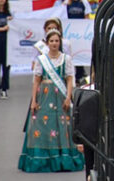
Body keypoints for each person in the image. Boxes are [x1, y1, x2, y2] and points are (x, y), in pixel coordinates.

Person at [18, 29, 84, 173]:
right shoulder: (41, 60)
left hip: (60, 98)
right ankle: (44, 160)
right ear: (47, 43)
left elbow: (69, 79)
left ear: (60, 42)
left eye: (56, 41)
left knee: (62, 126)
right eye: (52, 41)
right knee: (42, 127)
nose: (54, 43)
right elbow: (36, 81)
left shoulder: (66, 59)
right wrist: (34, 101)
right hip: (45, 96)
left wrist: (68, 98)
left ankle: (62, 159)